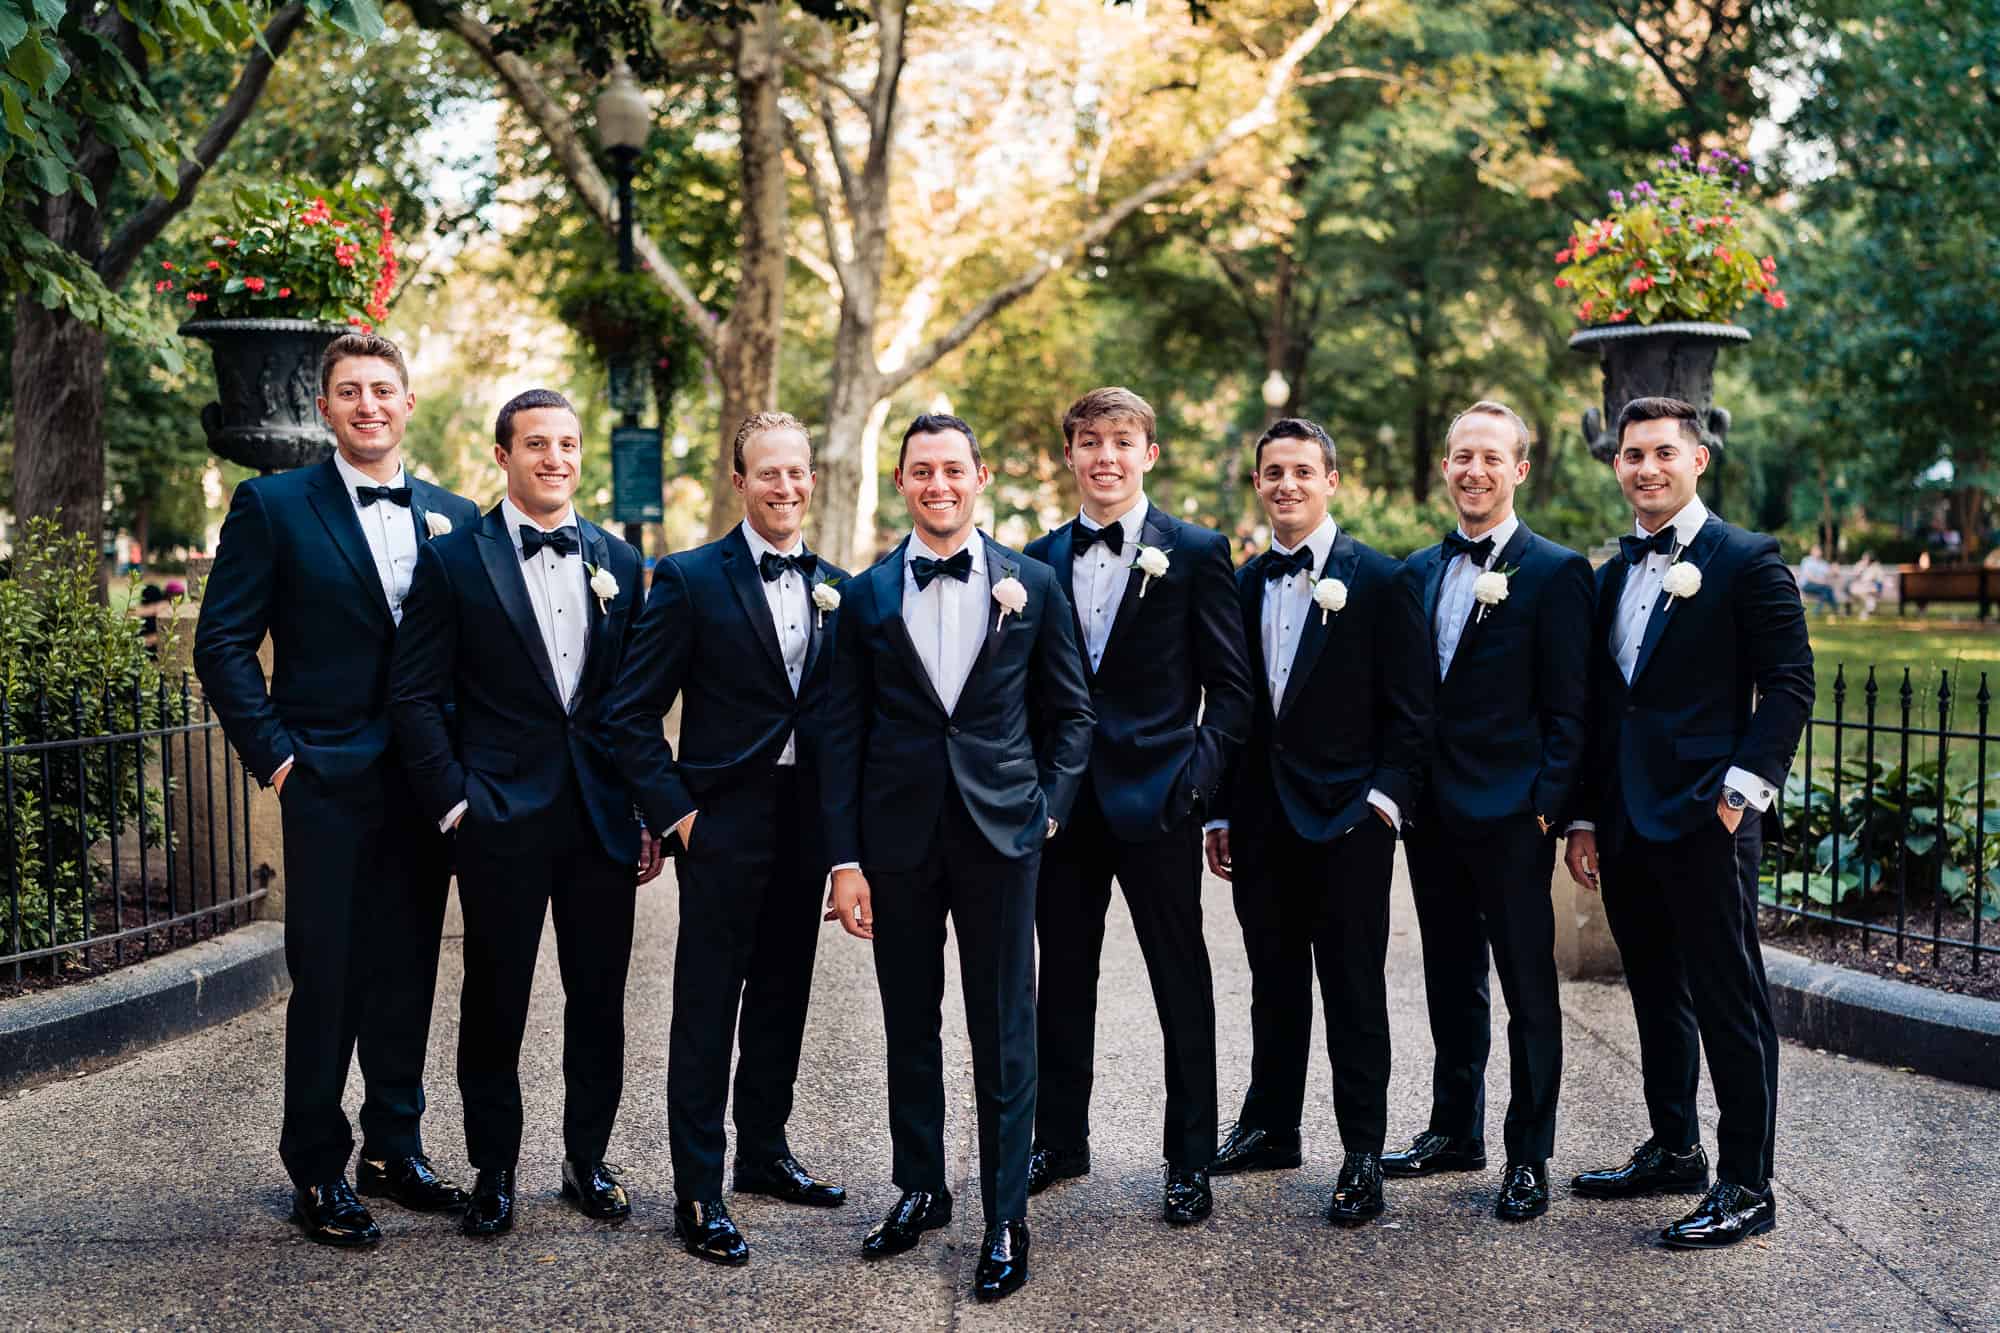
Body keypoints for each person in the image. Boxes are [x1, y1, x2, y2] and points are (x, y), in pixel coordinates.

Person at [193, 332, 480, 1247]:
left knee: (409, 970)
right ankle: (318, 1164)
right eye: (349, 390)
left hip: (425, 783)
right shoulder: (272, 506)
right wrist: (278, 757)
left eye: (383, 389)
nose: (368, 404)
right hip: (324, 779)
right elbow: (223, 644)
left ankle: (394, 1148)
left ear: (407, 402)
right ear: (325, 409)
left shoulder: (456, 514)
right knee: (329, 980)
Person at [820, 413, 1095, 1303]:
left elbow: (1073, 714)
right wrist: (846, 859)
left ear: (980, 476)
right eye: (921, 471)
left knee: (1005, 1028)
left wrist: (1047, 813)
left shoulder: (1035, 585)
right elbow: (842, 733)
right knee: (910, 1020)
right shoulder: (863, 597)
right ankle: (922, 1187)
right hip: (897, 841)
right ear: (901, 482)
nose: (939, 484)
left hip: (1001, 837)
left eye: (953, 469)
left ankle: (1006, 1213)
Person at [388, 389, 659, 1238]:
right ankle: (493, 1169)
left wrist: (646, 809)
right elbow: (416, 693)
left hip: (599, 816)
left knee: (600, 998)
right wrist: (456, 803)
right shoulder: (456, 559)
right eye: (536, 444)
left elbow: (631, 703)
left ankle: (587, 1160)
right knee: (496, 999)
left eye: (568, 445)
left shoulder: (618, 558)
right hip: (497, 814)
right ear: (502, 454)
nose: (555, 459)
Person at [602, 412, 851, 1266]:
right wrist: (678, 817)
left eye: (798, 473)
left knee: (785, 994)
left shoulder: (839, 587)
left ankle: (766, 1153)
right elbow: (629, 715)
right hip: (721, 823)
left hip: (806, 824)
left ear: (811, 480)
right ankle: (697, 1190)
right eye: (768, 473)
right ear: (739, 481)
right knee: (709, 1007)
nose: (785, 487)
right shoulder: (688, 579)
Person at [1564, 395, 1813, 1250]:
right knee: (1655, 991)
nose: (1645, 468)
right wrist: (1586, 816)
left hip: (1708, 819)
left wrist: (1740, 791)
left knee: (1729, 998)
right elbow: (1604, 708)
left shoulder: (1747, 559)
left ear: (1697, 459)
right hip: (1628, 822)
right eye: (1632, 455)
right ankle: (1674, 1147)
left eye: (1662, 452)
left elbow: (1789, 681)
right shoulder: (1610, 575)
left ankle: (1747, 1183)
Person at [1023, 387, 1253, 1226]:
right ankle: (1060, 1138)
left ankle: (1188, 1156)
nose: (1105, 457)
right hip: (1062, 808)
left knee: (1180, 979)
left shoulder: (1194, 551)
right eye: (1089, 441)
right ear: (1071, 454)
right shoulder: (1037, 557)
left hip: (1160, 801)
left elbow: (1232, 690)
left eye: (1122, 441)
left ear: (1149, 454)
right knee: (1063, 980)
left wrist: (1194, 782)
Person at [1204, 418, 1432, 1226]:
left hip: (1348, 823)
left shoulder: (1379, 578)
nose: (1286, 484)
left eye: (1303, 470)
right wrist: (1222, 809)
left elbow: (1411, 711)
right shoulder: (1241, 579)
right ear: (1259, 484)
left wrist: (1380, 805)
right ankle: (1271, 1126)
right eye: (1273, 472)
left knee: (1354, 988)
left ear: (1331, 480)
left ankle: (1362, 1152)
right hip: (1262, 823)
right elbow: (1236, 710)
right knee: (1272, 983)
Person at [1383, 401, 1592, 1222]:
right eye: (1462, 456)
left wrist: (1547, 807)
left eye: (1491, 457)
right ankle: (1453, 1129)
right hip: (1431, 816)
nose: (1474, 470)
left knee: (1526, 987)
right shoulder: (1416, 573)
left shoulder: (1555, 571)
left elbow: (1573, 708)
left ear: (1520, 469)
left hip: (1513, 816)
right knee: (1449, 978)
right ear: (1446, 467)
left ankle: (1528, 1153)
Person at [1798, 545, 1840, 613]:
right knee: (1827, 589)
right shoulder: (1807, 561)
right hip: (1806, 585)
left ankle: (1818, 611)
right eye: (1816, 551)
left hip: (1820, 587)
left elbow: (1830, 574)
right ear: (1812, 552)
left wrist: (1835, 570)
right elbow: (1809, 577)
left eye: (1819, 551)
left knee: (1826, 590)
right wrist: (1821, 582)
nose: (1818, 552)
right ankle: (1835, 609)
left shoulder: (1823, 563)